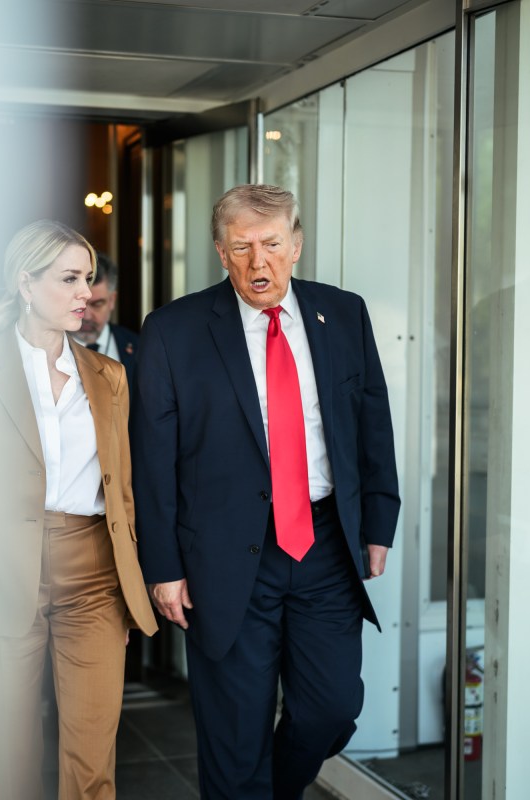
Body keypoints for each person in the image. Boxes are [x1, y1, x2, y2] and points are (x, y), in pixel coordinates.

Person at [132, 184, 400, 799]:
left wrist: (377, 523)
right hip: (220, 556)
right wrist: (164, 567)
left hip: (324, 541)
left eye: (273, 244)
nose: (260, 262)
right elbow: (153, 461)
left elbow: (371, 423)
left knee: (330, 707)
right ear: (222, 253)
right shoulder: (173, 331)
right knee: (235, 733)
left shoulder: (345, 313)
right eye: (243, 247)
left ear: (296, 246)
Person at [0, 219, 158, 800]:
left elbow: (123, 492)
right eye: (70, 278)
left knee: (93, 757)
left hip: (94, 581)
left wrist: (131, 589)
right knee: (13, 760)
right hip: (1, 576)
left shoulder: (110, 376)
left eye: (90, 279)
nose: (87, 293)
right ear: (26, 284)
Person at [74, 252, 139, 389]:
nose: (86, 316)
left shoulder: (139, 347)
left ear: (112, 300)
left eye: (97, 304)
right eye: (80, 303)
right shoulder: (44, 349)